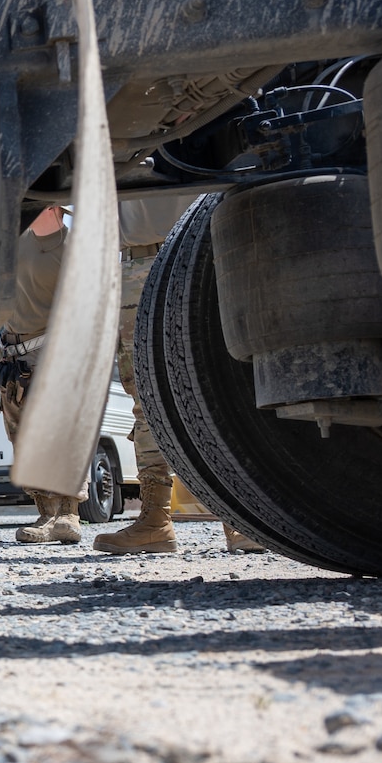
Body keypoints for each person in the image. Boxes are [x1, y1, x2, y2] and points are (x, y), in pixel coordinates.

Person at [97, 196, 268, 555]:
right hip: (135, 266)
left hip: (193, 255)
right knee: (146, 402)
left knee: (213, 392)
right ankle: (154, 521)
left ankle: (238, 520)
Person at [0, 205, 83, 544]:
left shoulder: (72, 245)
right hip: (12, 354)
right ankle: (46, 513)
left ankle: (69, 514)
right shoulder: (12, 243)